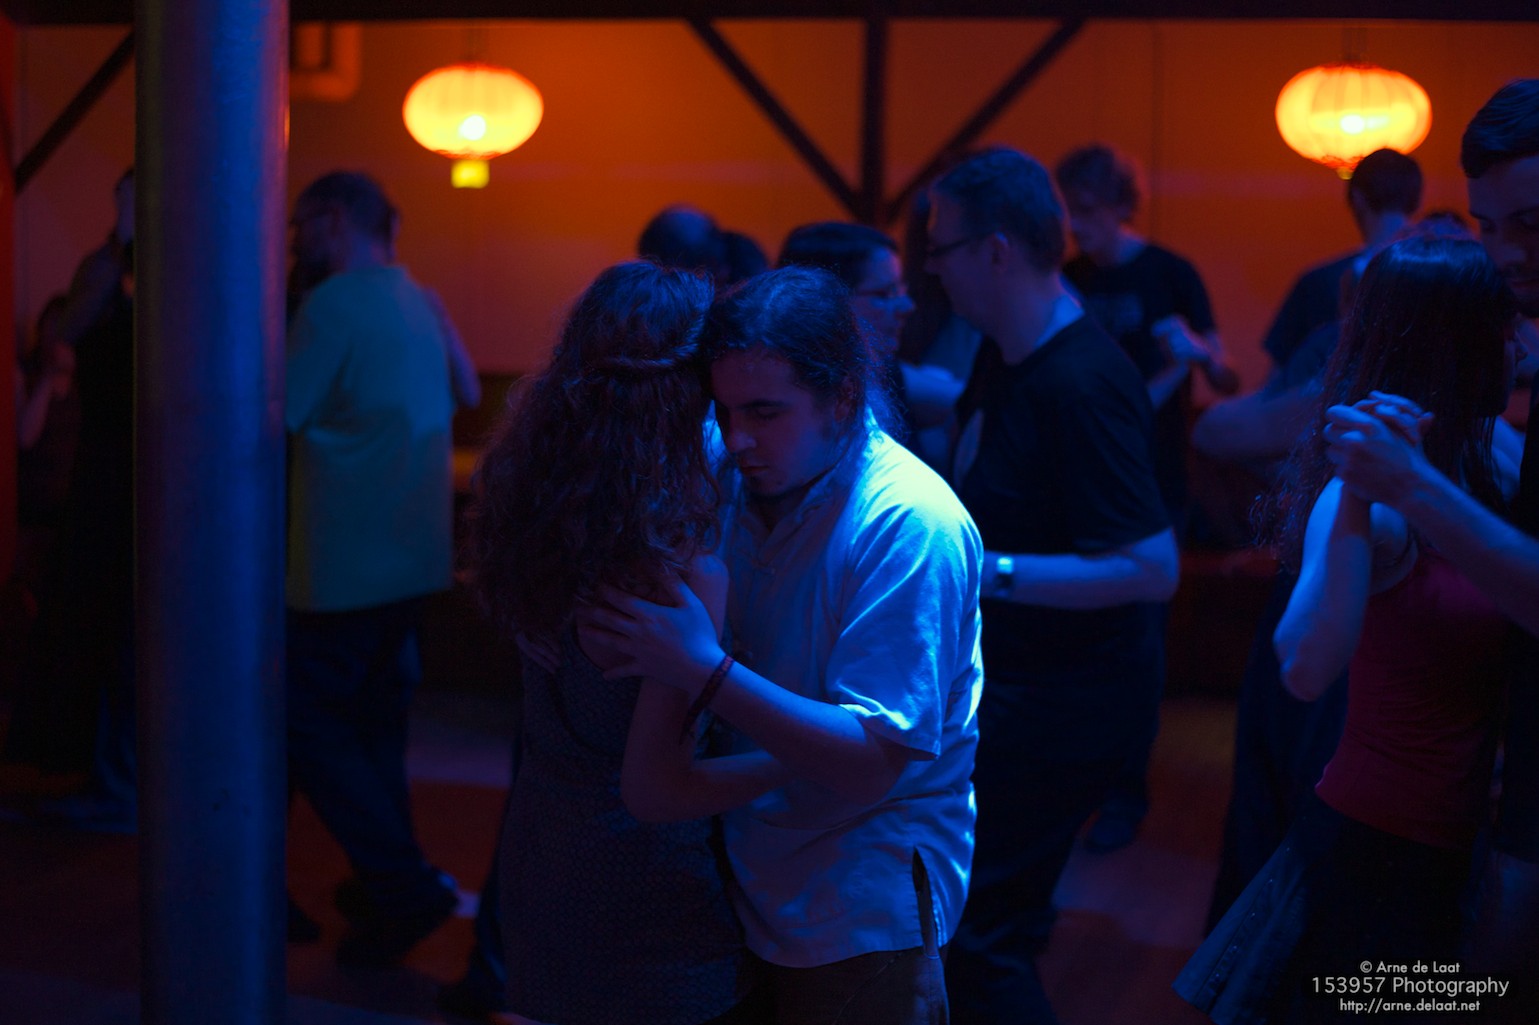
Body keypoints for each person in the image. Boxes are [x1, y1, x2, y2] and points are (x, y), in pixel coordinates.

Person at [589, 265, 984, 1025]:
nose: (737, 437)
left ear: (843, 398)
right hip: (747, 875)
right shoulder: (729, 468)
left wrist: (700, 669)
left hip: (860, 902)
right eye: (724, 409)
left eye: (765, 412)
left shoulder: (910, 521)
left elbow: (871, 760)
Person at [1176, 233, 1520, 1024]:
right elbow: (1302, 664)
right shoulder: (1371, 501)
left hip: (1444, 849)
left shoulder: (1474, 471)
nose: (1519, 351)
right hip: (1374, 858)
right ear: (1454, 344)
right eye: (1502, 333)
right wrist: (1358, 494)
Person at [469, 261, 786, 1025]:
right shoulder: (675, 573)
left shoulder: (538, 509)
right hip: (648, 896)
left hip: (544, 862)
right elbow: (660, 789)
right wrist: (810, 759)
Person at [924, 146, 1177, 1025]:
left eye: (940, 249)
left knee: (982, 939)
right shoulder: (1008, 354)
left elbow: (1149, 567)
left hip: (1066, 705)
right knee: (981, 927)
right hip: (1029, 693)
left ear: (995, 250)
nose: (931, 270)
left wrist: (980, 571)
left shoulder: (1080, 380)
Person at [1321, 79, 1539, 1022]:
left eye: (1530, 223)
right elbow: (1301, 660)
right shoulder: (1402, 473)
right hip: (1404, 827)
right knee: (1396, 1001)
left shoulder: (1451, 466)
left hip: (1457, 824)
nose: (1508, 252)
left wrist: (1408, 484)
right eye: (1490, 226)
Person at [283, 171, 459, 965]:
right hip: (413, 560)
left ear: (330, 219)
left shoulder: (330, 306)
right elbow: (456, 391)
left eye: (299, 225)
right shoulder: (417, 299)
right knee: (376, 733)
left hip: (338, 566)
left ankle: (399, 881)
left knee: (306, 725)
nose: (293, 242)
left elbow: (266, 419)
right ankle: (384, 886)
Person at [1054, 143, 1236, 852]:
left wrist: (1199, 353)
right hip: (1078, 482)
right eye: (1070, 211)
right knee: (1076, 641)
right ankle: (1080, 788)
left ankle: (1124, 794)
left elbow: (1225, 379)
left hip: (1153, 483)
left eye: (1087, 211)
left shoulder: (1170, 273)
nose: (1077, 225)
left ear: (1120, 206)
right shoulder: (1067, 277)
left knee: (1138, 642)